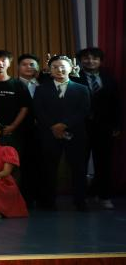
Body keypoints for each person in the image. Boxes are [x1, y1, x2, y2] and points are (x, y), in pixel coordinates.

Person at [31, 55, 91, 211]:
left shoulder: (82, 89)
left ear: (71, 68)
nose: (59, 70)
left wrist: (64, 125)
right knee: (48, 168)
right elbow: (38, 111)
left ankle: (80, 201)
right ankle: (48, 201)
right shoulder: (41, 89)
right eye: (55, 67)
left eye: (63, 66)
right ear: (49, 70)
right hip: (49, 134)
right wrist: (53, 126)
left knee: (78, 168)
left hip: (75, 134)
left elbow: (84, 111)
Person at [74, 47, 120, 208]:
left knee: (104, 164)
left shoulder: (109, 79)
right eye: (86, 58)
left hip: (104, 128)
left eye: (94, 58)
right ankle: (81, 197)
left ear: (100, 61)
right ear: (81, 61)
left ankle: (104, 196)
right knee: (80, 163)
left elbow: (117, 103)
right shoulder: (73, 78)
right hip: (81, 127)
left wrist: (117, 124)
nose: (90, 61)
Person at [0, 50, 32, 150]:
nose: (0, 63)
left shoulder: (19, 85)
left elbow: (24, 108)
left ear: (9, 63)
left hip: (12, 132)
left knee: (12, 157)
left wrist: (13, 126)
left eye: (3, 60)